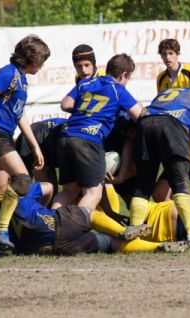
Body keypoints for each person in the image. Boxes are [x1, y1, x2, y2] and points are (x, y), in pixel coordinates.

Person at [0, 35, 50, 258]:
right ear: (30, 60)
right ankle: (0, 230)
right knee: (23, 179)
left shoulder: (21, 80)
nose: (42, 65)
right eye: (41, 61)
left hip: (3, 133)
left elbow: (19, 115)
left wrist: (35, 146)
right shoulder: (8, 73)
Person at [129, 82, 190, 247]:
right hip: (171, 126)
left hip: (145, 124)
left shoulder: (173, 92)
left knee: (144, 184)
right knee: (180, 182)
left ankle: (133, 234)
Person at [54, 54, 143, 211]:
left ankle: (51, 227)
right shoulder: (118, 90)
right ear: (124, 75)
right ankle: (75, 228)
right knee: (93, 193)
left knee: (69, 191)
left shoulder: (86, 82)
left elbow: (65, 104)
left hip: (66, 135)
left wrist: (85, 111)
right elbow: (141, 116)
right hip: (88, 139)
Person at [10, 182, 187, 255]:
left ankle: (158, 248)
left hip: (52, 248)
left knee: (111, 244)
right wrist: (43, 205)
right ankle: (124, 231)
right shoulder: (20, 199)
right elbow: (48, 186)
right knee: (88, 213)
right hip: (57, 223)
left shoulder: (4, 231)